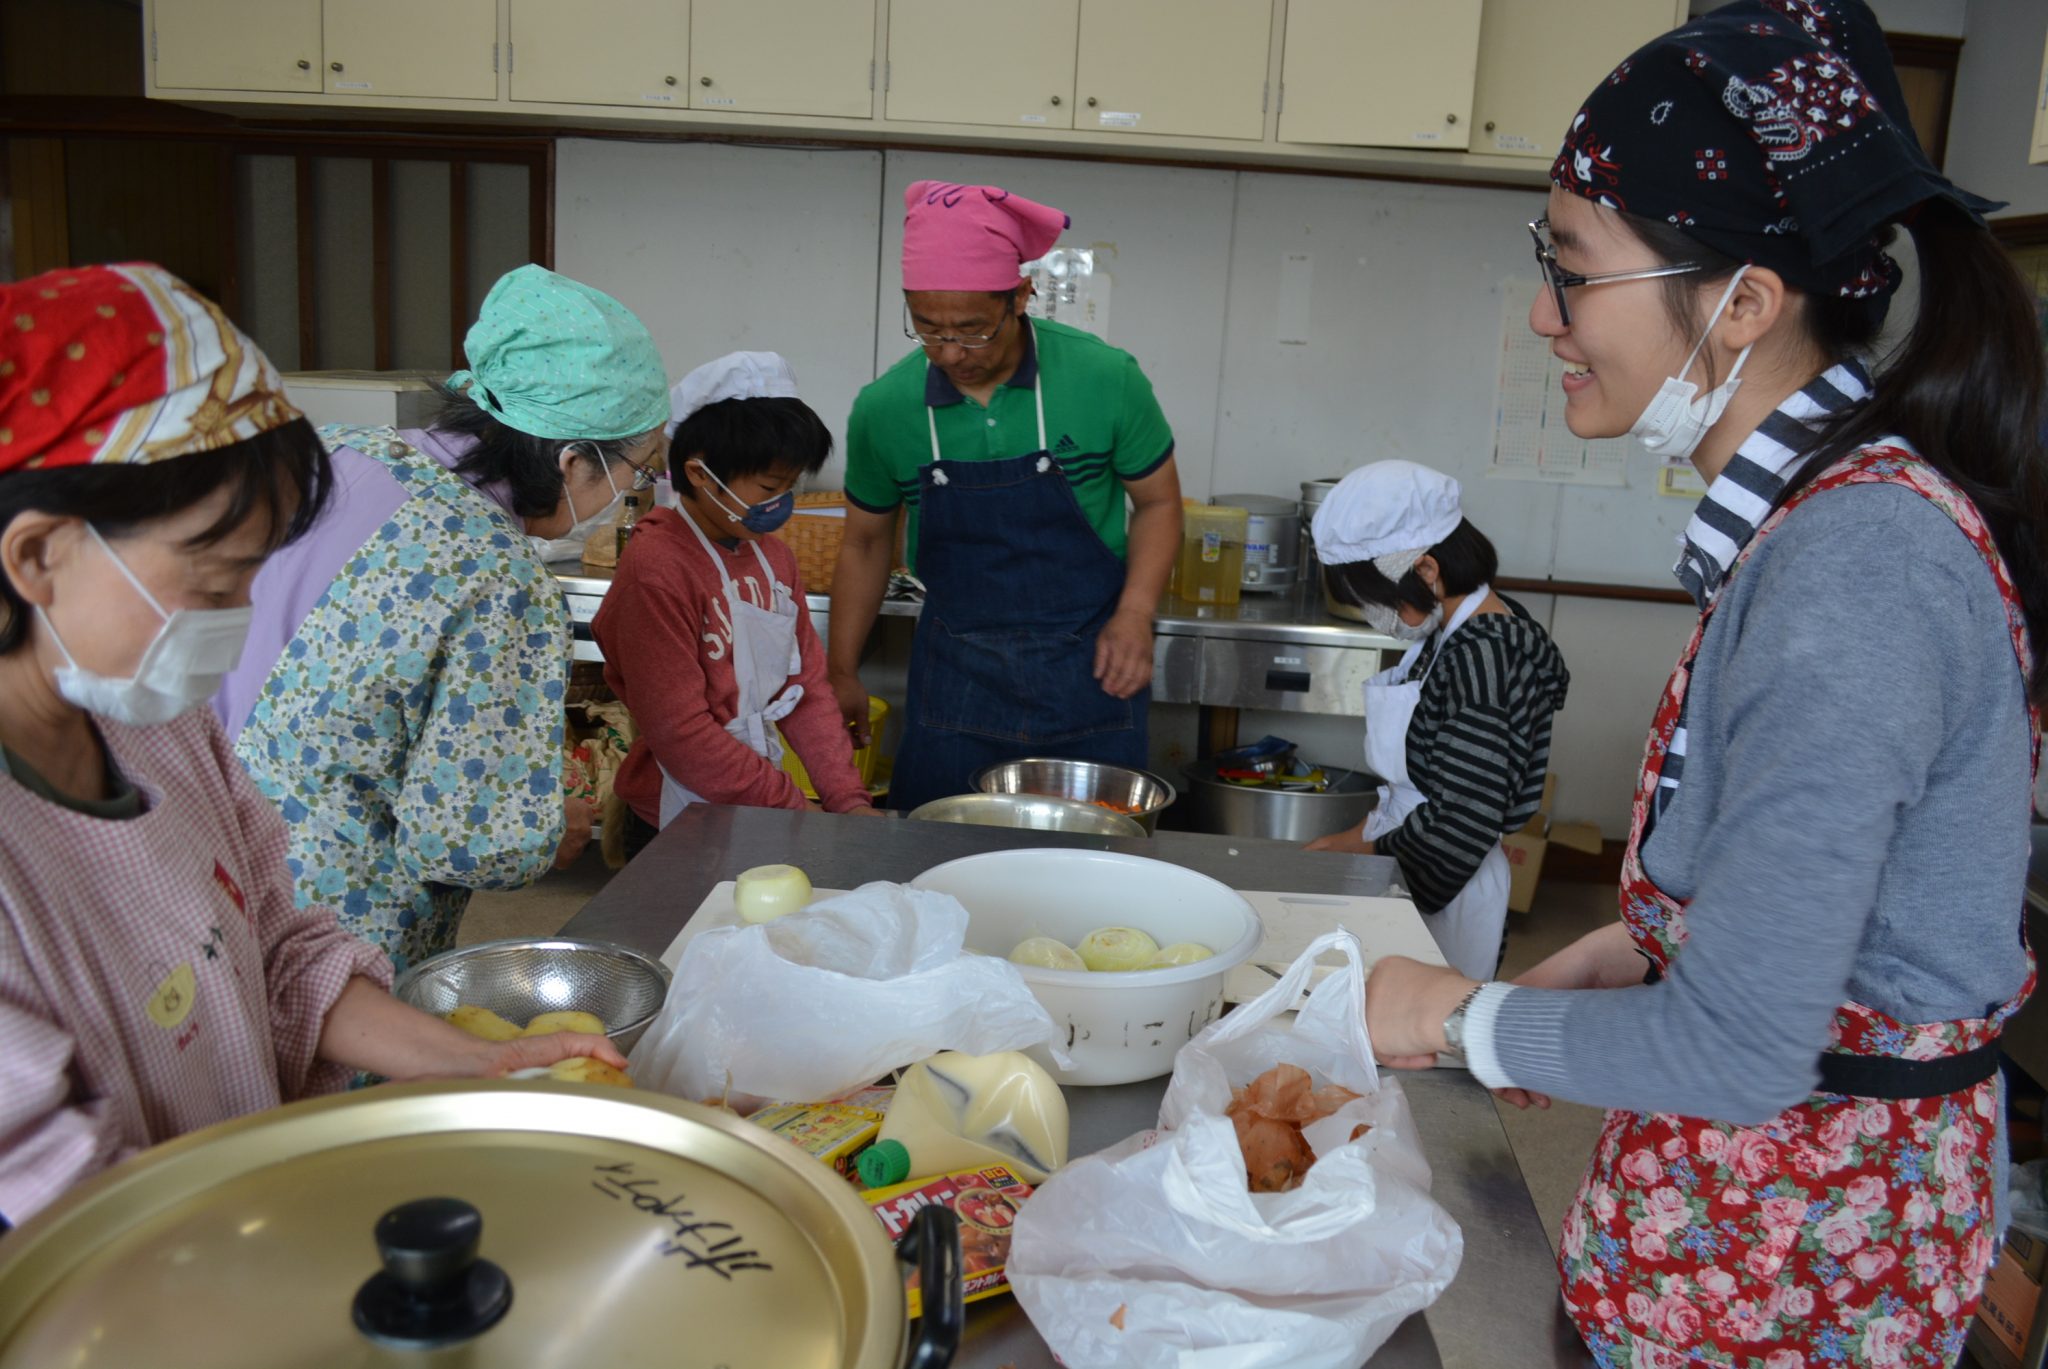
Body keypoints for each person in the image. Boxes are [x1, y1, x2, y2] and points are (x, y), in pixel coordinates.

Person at [1362, 3, 2046, 1363]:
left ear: (1742, 302)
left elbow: (1740, 1049)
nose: (1549, 319)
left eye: (1574, 271)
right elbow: (1790, 907)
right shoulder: (1821, 523)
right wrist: (1612, 960)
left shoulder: (1856, 562)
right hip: (1726, 1226)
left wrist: (1463, 1019)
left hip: (1789, 1264)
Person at [0, 265, 623, 1226]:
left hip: (244, 1215)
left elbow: (283, 951)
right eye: (212, 582)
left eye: (256, 573)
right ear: (39, 554)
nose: (240, 617)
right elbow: (52, 1201)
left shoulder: (164, 730)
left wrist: (474, 1059)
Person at [219, 264, 670, 970]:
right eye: (637, 472)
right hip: (332, 928)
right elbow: (462, 839)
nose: (627, 495)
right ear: (574, 459)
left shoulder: (337, 452)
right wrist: (553, 826)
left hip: (206, 861)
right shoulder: (499, 574)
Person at [829, 181, 1183, 812]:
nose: (951, 354)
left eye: (972, 330)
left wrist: (1135, 612)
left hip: (1091, 671)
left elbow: (1157, 503)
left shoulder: (1106, 377)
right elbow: (864, 542)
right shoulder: (884, 408)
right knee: (937, 871)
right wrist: (841, 669)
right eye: (928, 330)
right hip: (956, 683)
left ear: (1020, 296)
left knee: (1088, 878)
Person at [592, 352, 879, 859]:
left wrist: (847, 801)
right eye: (770, 487)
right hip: (675, 812)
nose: (782, 502)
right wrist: (790, 808)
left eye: (791, 486)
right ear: (700, 474)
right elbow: (679, 732)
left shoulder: (774, 559)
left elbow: (805, 690)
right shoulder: (657, 566)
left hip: (753, 801)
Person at [1303, 461, 1568, 981]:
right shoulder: (1450, 632)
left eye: (1377, 600)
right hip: (1408, 846)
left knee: (1415, 1031)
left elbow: (1463, 818)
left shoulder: (1485, 656)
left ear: (1425, 570)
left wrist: (1369, 854)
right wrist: (1358, 835)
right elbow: (1419, 783)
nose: (1376, 616)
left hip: (1443, 875)